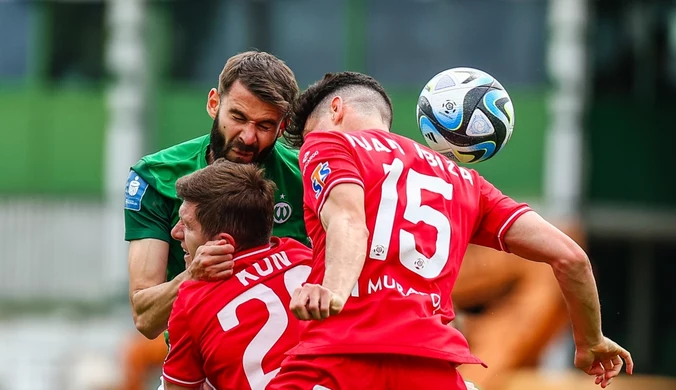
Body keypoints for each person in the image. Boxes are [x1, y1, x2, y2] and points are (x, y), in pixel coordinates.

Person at [267, 72, 633, 390]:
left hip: (340, 357)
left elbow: (349, 221)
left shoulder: (330, 143)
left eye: (309, 134)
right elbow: (571, 257)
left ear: (336, 109)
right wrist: (590, 340)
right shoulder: (468, 182)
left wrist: (332, 292)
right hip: (431, 368)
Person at [121, 51, 307, 390]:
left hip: (297, 372)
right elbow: (145, 318)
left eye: (265, 126)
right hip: (198, 369)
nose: (248, 137)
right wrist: (192, 276)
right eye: (238, 116)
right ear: (213, 103)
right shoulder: (156, 178)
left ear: (283, 128)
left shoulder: (307, 179)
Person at [161, 159, 312, 390]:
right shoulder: (305, 256)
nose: (175, 232)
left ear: (222, 244)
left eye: (188, 225)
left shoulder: (192, 300)